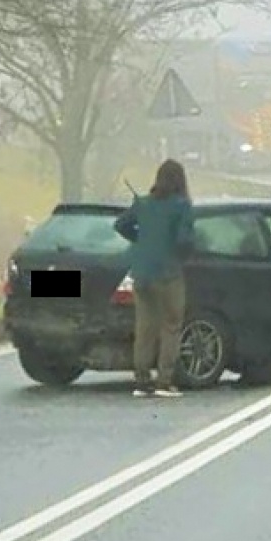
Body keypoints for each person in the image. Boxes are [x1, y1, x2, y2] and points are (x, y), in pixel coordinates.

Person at [113, 159, 195, 397]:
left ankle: (141, 381)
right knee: (171, 326)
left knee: (145, 328)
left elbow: (121, 224)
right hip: (168, 273)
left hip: (142, 273)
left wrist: (142, 239)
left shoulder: (144, 204)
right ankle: (164, 381)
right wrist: (182, 254)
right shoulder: (181, 206)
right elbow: (184, 240)